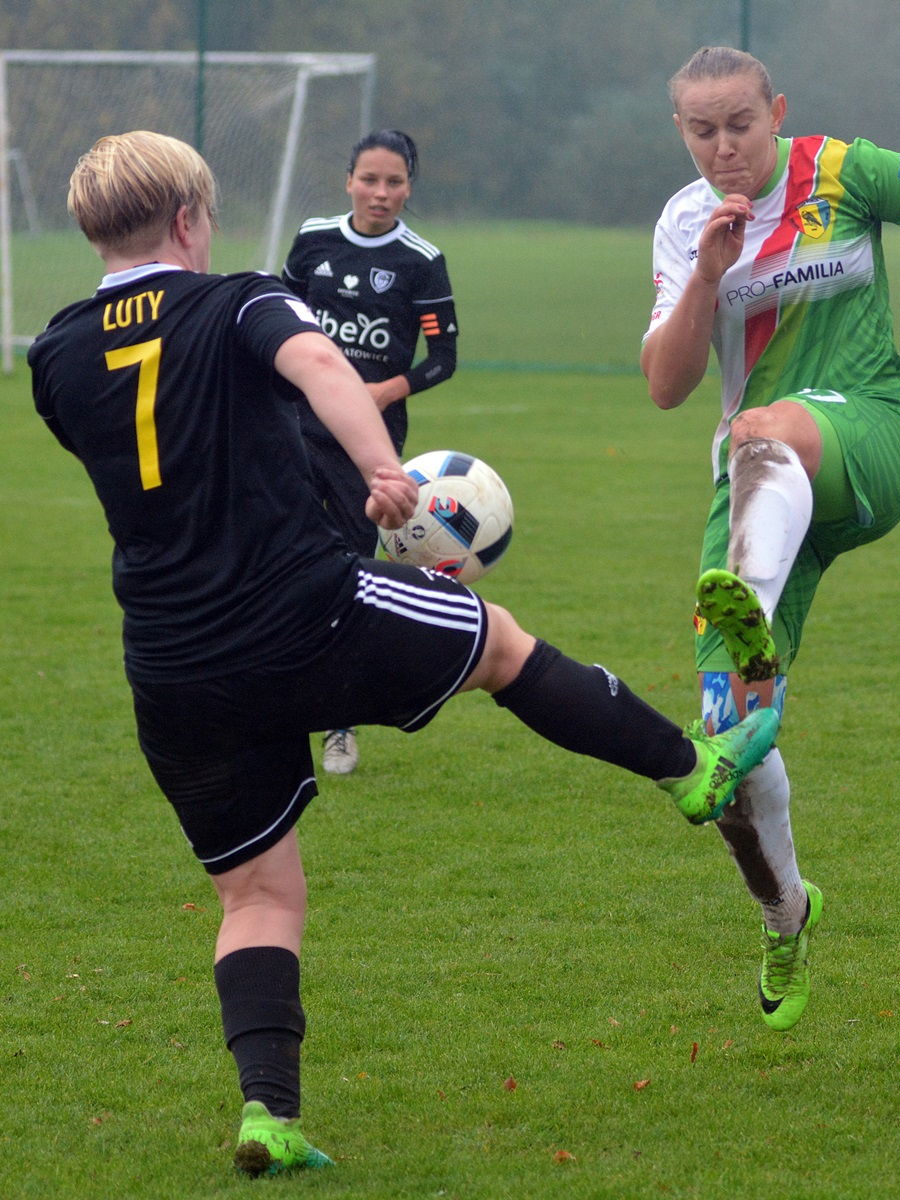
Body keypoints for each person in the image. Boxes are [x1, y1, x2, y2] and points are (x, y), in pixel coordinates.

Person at [29, 131, 780, 1177]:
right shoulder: (239, 299)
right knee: (502, 647)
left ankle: (268, 1116)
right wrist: (384, 472)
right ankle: (693, 773)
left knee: (257, 897)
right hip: (299, 609)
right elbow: (317, 361)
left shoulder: (55, 352)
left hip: (169, 659)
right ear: (191, 219)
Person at [641, 47, 900, 1034]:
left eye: (738, 125)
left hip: (864, 436)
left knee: (766, 427)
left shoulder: (840, 171)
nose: (722, 147)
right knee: (727, 757)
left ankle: (749, 613)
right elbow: (666, 385)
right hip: (753, 492)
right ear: (679, 131)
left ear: (777, 115)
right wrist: (705, 278)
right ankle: (784, 914)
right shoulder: (684, 223)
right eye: (700, 130)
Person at [281, 128, 458, 774]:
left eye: (393, 182)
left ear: (408, 187)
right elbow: (279, 320)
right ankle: (275, 700)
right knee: (285, 559)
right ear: (348, 179)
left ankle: (338, 720)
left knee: (348, 576)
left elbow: (443, 359)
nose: (380, 193)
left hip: (370, 444)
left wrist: (383, 391)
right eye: (368, 179)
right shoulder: (313, 240)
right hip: (297, 427)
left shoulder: (421, 260)